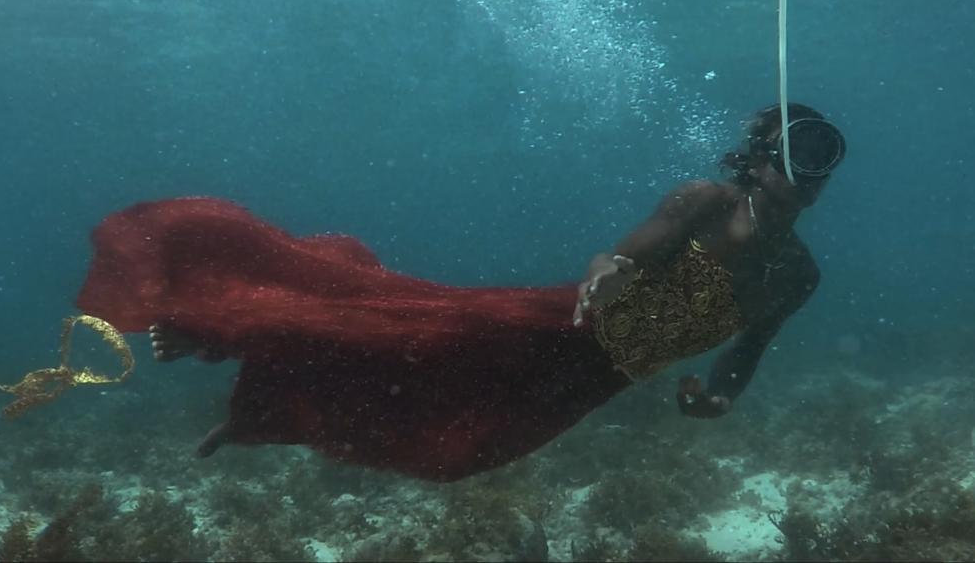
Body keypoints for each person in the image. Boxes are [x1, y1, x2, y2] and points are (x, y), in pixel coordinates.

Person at [75, 102, 845, 482]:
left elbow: (748, 350)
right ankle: (215, 327)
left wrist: (721, 399)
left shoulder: (800, 277)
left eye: (825, 163)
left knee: (457, 449)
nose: (809, 176)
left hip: (603, 376)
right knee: (398, 328)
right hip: (564, 323)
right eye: (799, 154)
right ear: (760, 158)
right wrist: (608, 269)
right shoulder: (705, 202)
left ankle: (256, 382)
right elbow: (626, 252)